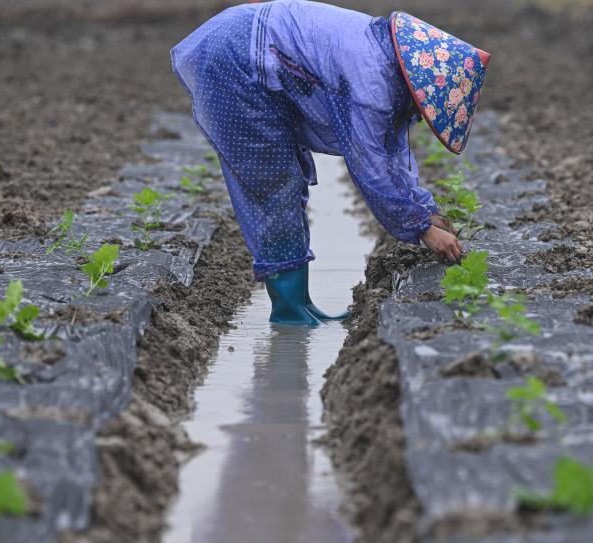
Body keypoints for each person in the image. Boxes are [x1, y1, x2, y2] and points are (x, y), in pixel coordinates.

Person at [171, 0, 490, 325]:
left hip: (250, 45)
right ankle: (288, 311)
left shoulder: (390, 66)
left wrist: (426, 211)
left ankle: (302, 302)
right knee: (274, 182)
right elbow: (371, 168)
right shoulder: (371, 82)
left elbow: (393, 155)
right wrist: (421, 229)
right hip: (234, 57)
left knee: (287, 179)